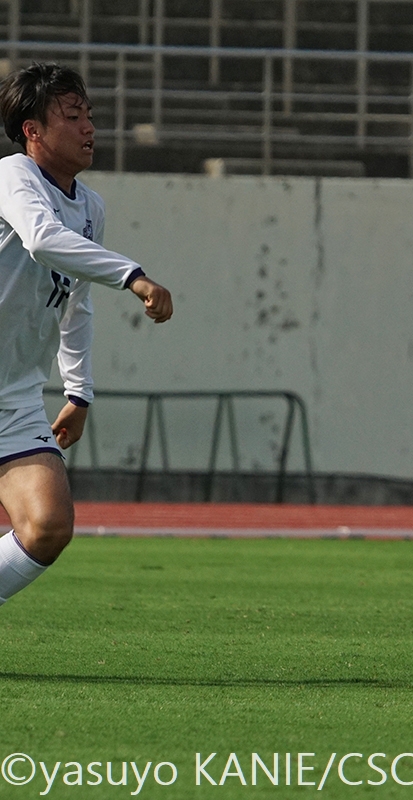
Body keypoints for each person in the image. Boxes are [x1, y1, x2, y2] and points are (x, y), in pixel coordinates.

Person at [0, 63, 173, 610]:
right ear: (32, 130)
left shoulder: (91, 208)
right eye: (72, 116)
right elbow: (42, 238)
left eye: (89, 115)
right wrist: (132, 275)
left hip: (15, 401)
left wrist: (79, 392)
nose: (89, 127)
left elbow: (75, 301)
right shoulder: (12, 176)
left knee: (48, 525)